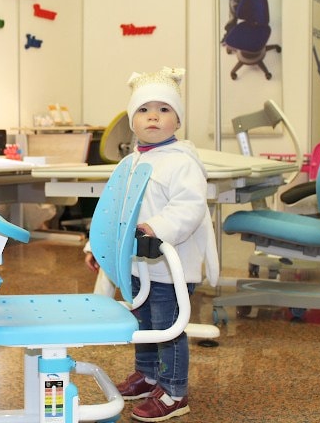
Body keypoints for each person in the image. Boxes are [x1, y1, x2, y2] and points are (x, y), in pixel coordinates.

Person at [84, 67, 219, 422]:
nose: (153, 116)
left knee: (167, 328)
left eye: (164, 109)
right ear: (132, 120)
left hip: (170, 266)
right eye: (144, 109)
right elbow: (113, 209)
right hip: (136, 264)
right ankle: (147, 377)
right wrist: (96, 247)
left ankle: (174, 391)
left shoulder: (182, 163)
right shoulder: (130, 163)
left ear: (178, 120)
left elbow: (188, 208)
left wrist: (154, 228)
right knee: (142, 323)